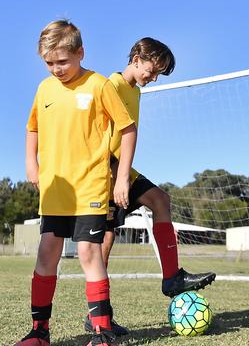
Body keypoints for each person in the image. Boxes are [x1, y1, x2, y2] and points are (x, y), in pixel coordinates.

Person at [84, 37, 216, 335]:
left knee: (160, 200)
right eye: (152, 70)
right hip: (105, 171)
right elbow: (98, 137)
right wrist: (117, 177)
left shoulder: (135, 92)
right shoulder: (111, 86)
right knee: (103, 244)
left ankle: (171, 277)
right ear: (136, 58)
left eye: (158, 74)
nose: (153, 78)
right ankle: (96, 317)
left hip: (123, 171)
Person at [17, 20, 137, 346]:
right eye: (49, 63)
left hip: (90, 187)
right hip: (56, 190)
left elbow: (127, 129)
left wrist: (122, 176)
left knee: (88, 253)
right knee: (46, 255)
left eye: (63, 62)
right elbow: (32, 128)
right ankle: (39, 332)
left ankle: (101, 332)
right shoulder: (44, 89)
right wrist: (32, 164)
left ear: (80, 52)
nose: (56, 69)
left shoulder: (99, 85)